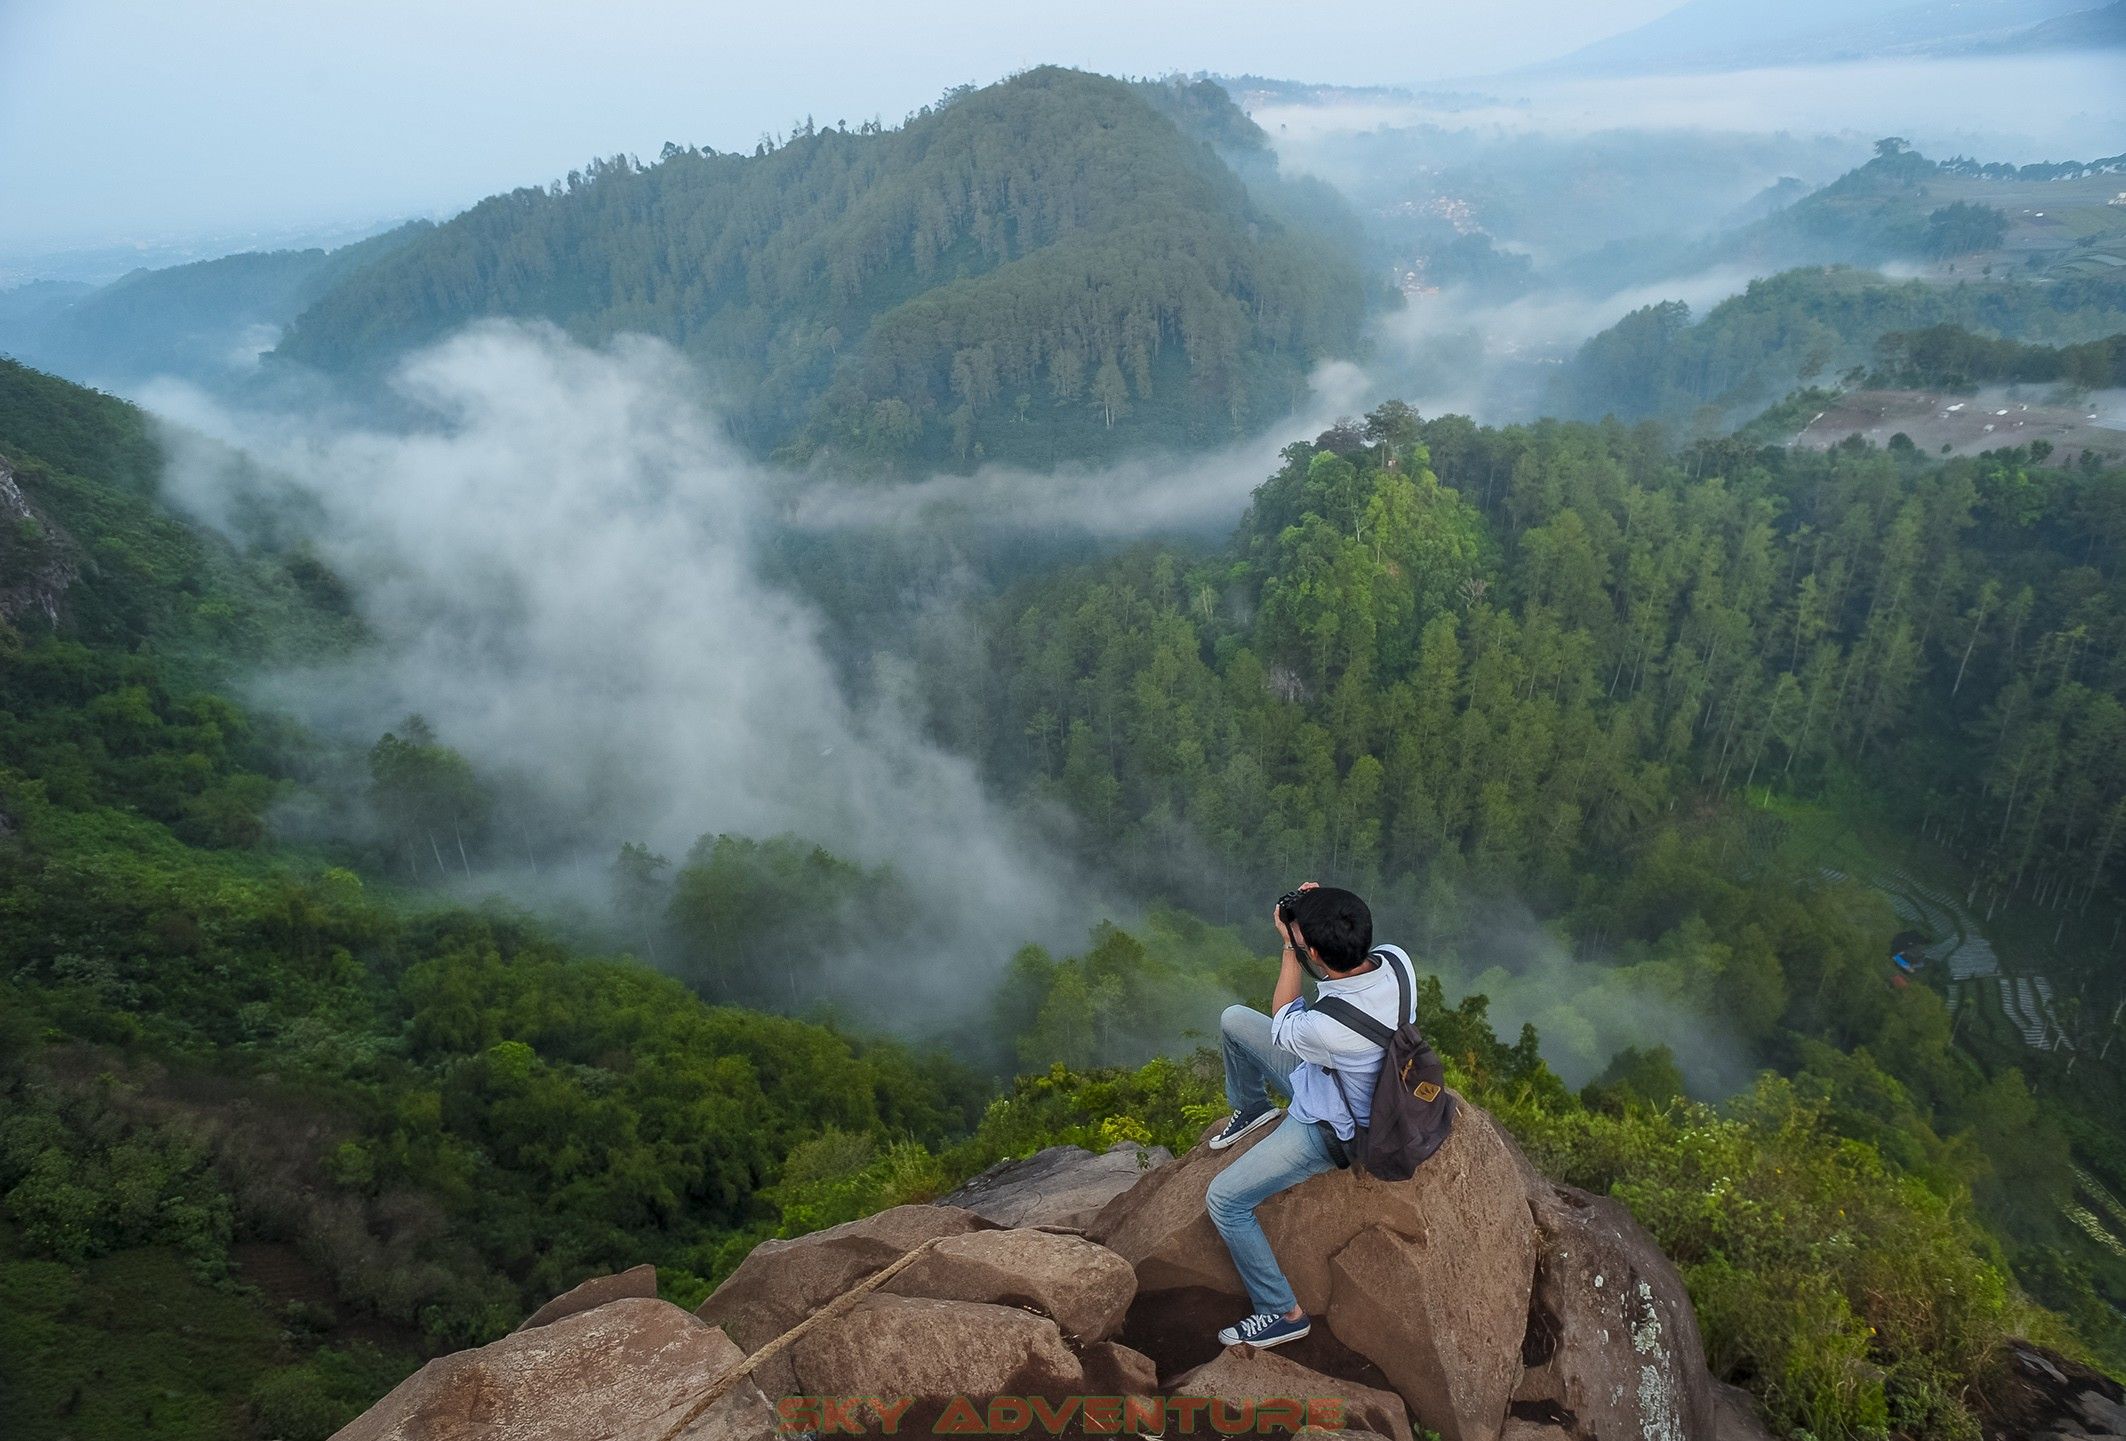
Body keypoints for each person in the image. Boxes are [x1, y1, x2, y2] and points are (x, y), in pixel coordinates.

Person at [1202, 881, 1414, 1350]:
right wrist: (1323, 909)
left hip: (1329, 1128)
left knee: (1223, 1201)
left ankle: (1281, 1311)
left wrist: (1287, 944)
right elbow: (1342, 971)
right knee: (1234, 1019)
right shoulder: (1398, 962)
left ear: (1314, 953)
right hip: (1333, 1071)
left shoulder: (1326, 1028)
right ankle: (1253, 1107)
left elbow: (1283, 1019)